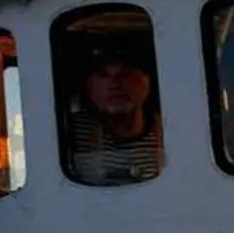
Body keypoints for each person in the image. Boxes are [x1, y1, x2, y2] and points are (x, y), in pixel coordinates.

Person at [66, 35, 162, 185]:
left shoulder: (171, 129)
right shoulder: (66, 131)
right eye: (103, 75)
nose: (115, 83)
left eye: (126, 73)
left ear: (147, 81)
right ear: (89, 86)